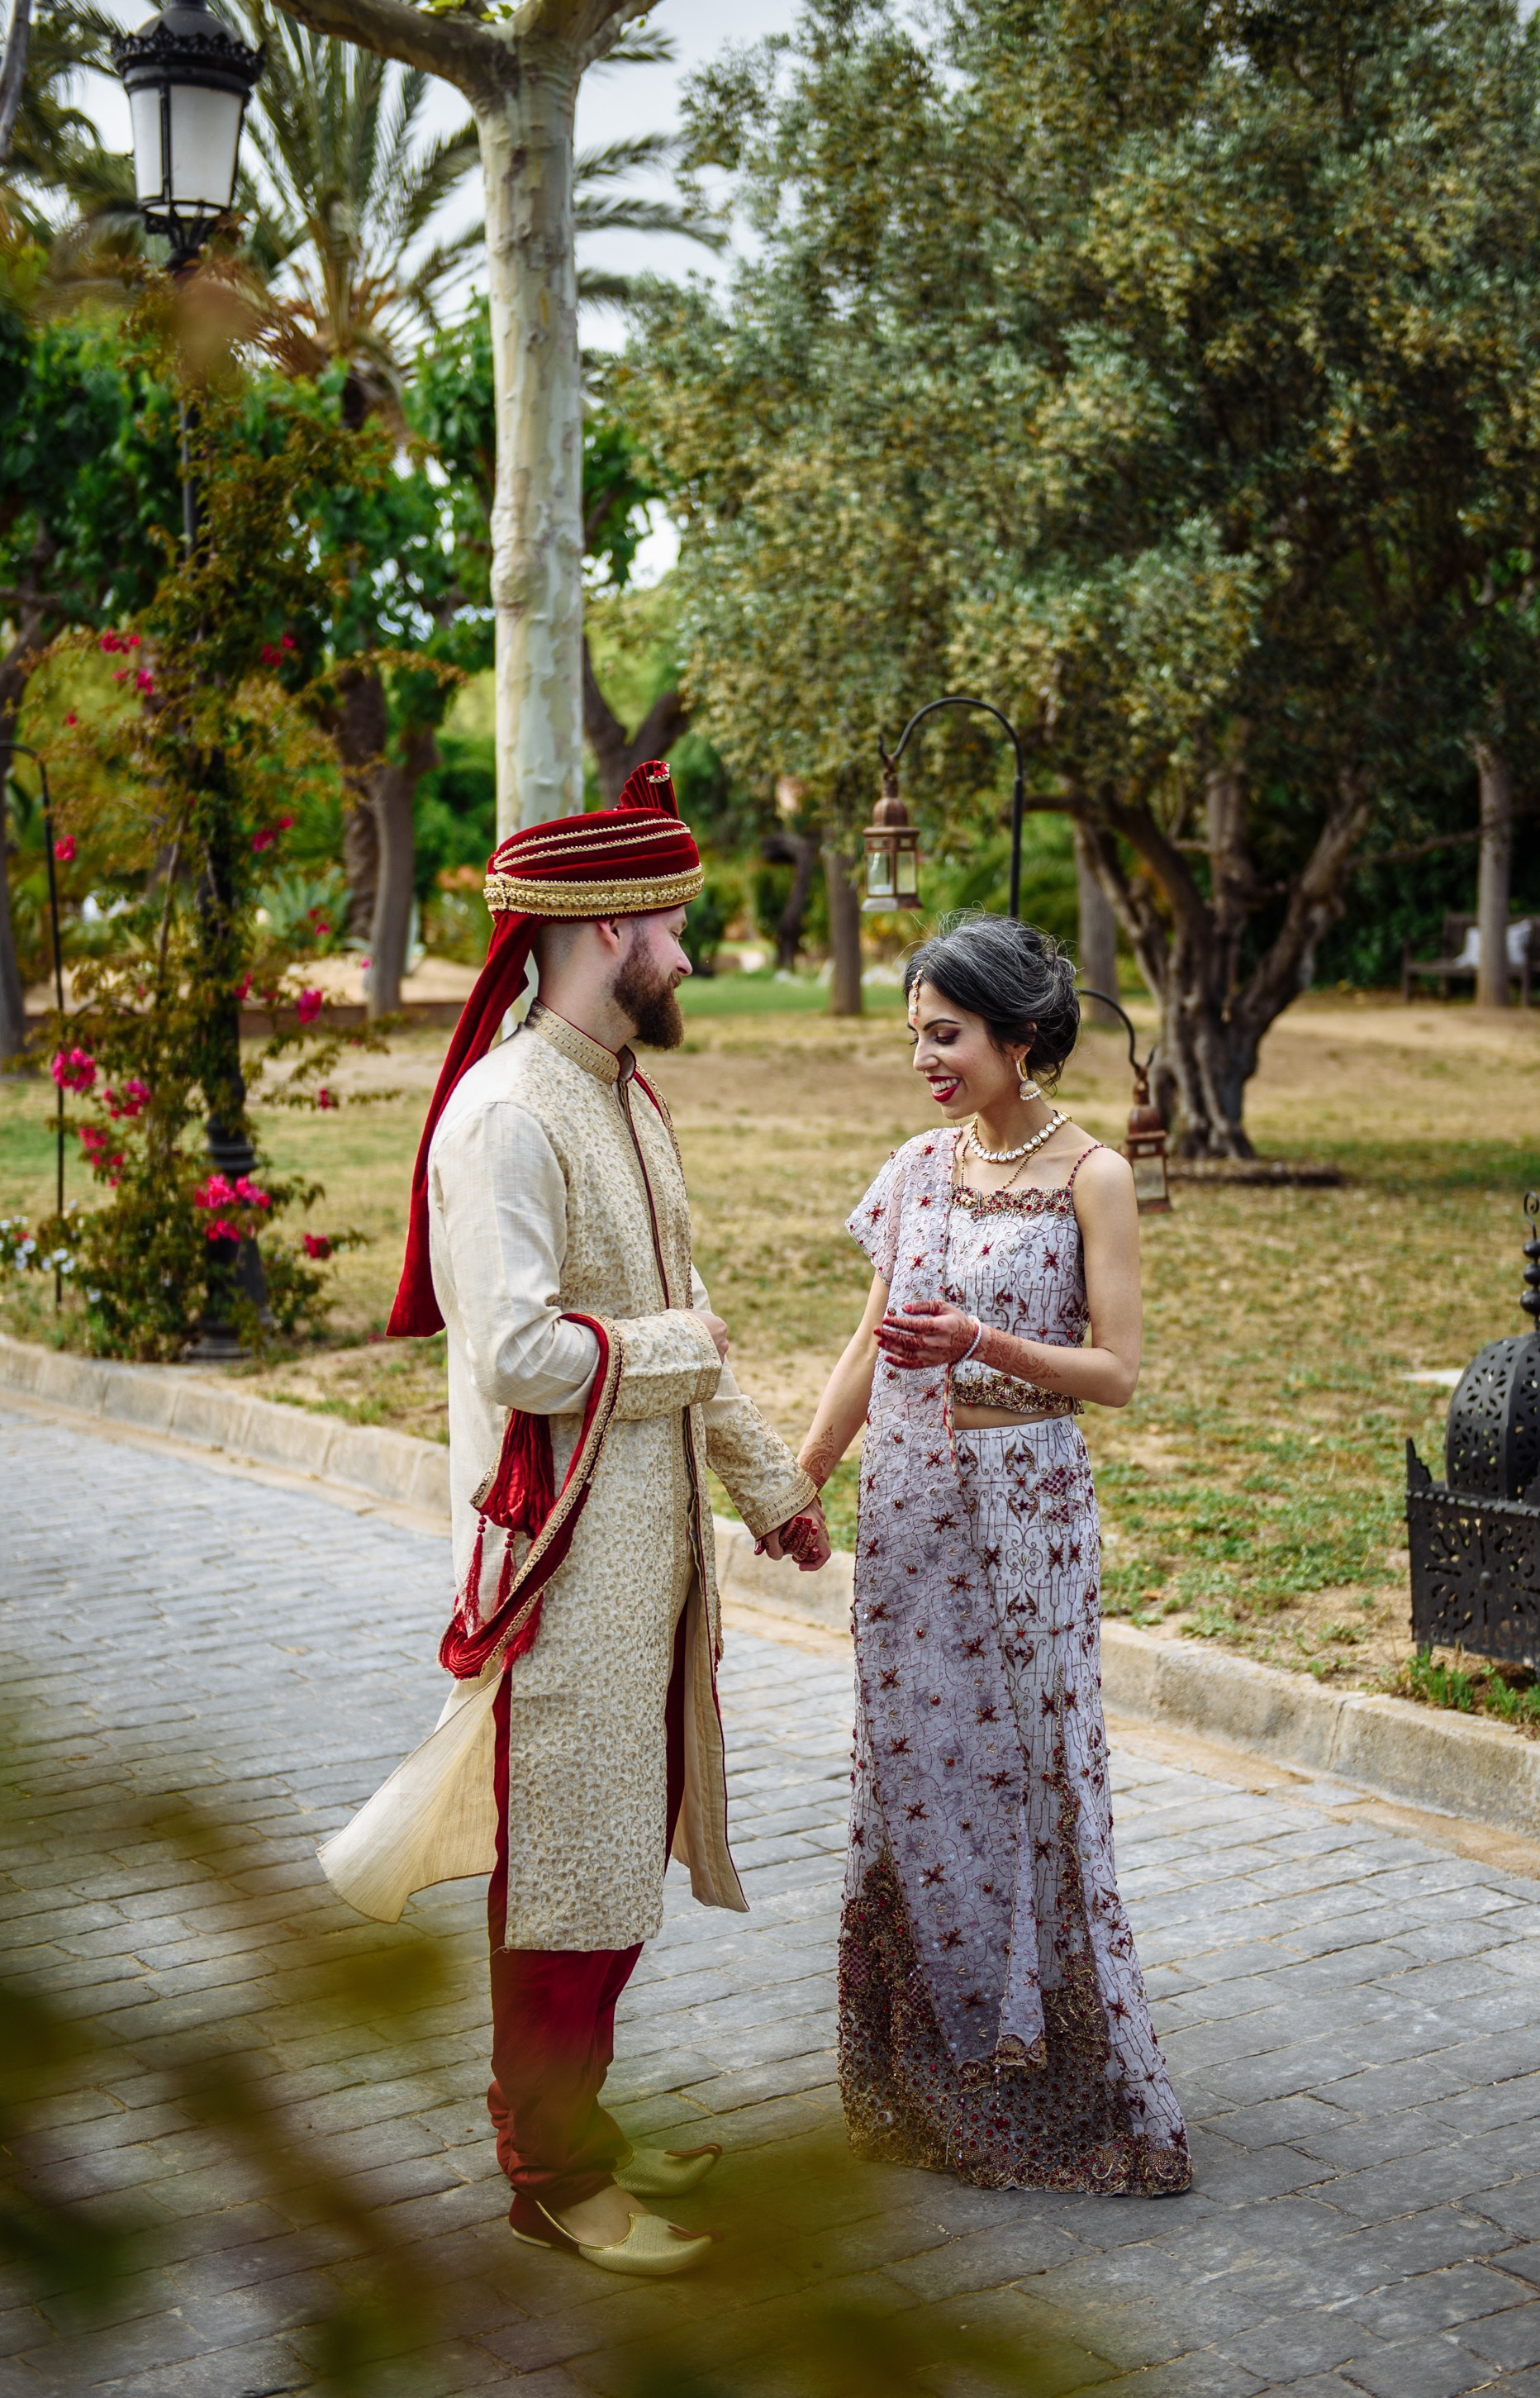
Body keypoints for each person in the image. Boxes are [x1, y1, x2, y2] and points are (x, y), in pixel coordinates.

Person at [347, 763, 829, 2278]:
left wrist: (776, 1490)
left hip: (652, 1559)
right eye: (672, 926)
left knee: (620, 1854)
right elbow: (518, 1354)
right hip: (558, 1568)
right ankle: (553, 2176)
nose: (687, 953)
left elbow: (686, 1325)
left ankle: (583, 2126)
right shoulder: (507, 1115)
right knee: (563, 1877)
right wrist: (683, 1348)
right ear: (607, 927)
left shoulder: (617, 1090)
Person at [797, 912, 1191, 2196]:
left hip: (1030, 1511)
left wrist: (983, 1343)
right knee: (914, 1769)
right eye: (916, 1034)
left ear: (1020, 1038)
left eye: (947, 1034)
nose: (925, 1057)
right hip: (909, 1513)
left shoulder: (1094, 1176)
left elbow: (1117, 1372)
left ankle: (1061, 2064)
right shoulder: (914, 1168)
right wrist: (801, 1477)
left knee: (1032, 1766)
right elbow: (864, 1348)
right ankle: (924, 2067)